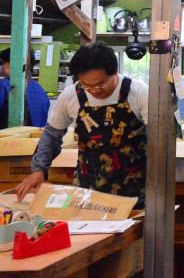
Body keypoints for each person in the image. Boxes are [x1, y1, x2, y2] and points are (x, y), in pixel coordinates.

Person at [16, 43, 148, 208]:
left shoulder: (139, 92)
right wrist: (39, 169)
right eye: (87, 85)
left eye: (101, 84)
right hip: (87, 191)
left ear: (115, 72)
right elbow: (51, 136)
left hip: (134, 193)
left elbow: (157, 139)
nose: (94, 90)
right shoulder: (72, 95)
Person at [0, 48, 50, 128]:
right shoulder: (41, 91)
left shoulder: (4, 85)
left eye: (3, 64)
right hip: (35, 139)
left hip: (8, 139)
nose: (2, 68)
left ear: (9, 65)